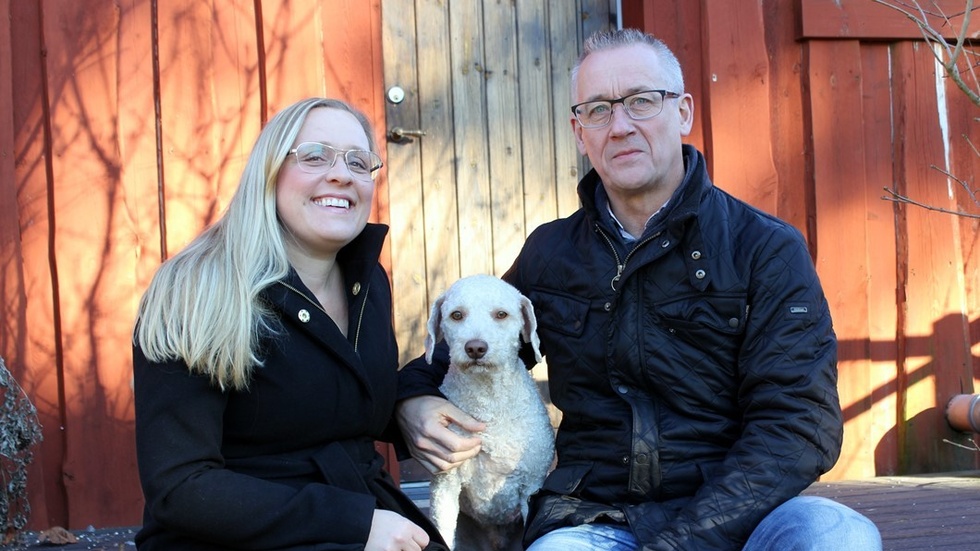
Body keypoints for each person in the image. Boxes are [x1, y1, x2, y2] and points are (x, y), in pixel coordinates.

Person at [396, 29, 882, 550]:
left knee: (839, 535)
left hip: (742, 513)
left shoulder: (763, 248)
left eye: (641, 101)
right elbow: (476, 345)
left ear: (684, 113)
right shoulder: (551, 253)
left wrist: (685, 540)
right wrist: (411, 401)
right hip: (597, 517)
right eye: (599, 110)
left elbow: (799, 425)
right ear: (579, 132)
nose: (621, 126)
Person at [133, 97, 447, 551]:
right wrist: (354, 523)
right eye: (315, 155)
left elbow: (334, 391)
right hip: (230, 537)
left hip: (362, 519)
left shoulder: (367, 280)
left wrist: (408, 404)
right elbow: (181, 486)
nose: (341, 174)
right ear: (270, 171)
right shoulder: (195, 288)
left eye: (358, 162)